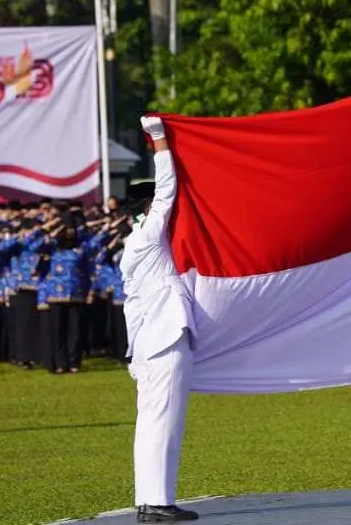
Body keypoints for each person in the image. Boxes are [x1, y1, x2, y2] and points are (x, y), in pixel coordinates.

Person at [121, 116, 199, 523]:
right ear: (148, 209)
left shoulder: (131, 246)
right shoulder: (150, 236)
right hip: (165, 340)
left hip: (148, 345)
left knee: (151, 423)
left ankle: (149, 499)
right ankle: (158, 503)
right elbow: (167, 189)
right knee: (164, 423)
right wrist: (159, 141)